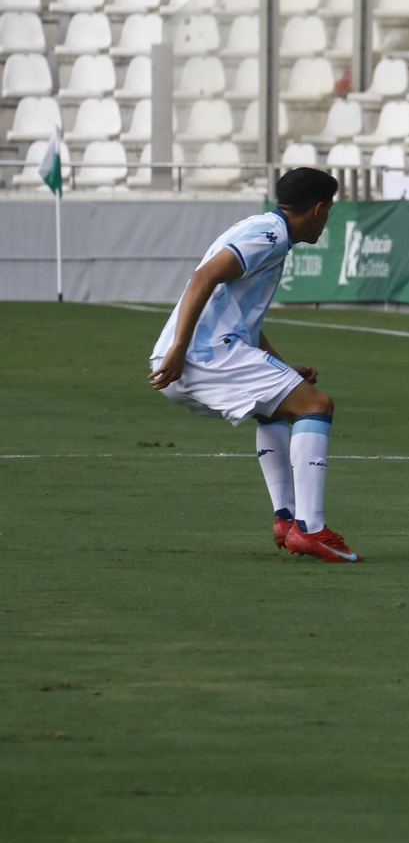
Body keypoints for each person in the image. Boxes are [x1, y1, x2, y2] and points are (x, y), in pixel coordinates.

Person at [147, 168, 361, 563]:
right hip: (203, 355)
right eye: (328, 210)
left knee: (278, 408)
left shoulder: (263, 229)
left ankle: (286, 518)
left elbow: (240, 319)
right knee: (317, 405)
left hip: (197, 355)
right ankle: (311, 529)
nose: (326, 219)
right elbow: (203, 278)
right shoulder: (271, 236)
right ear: (317, 209)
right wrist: (180, 349)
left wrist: (281, 368)